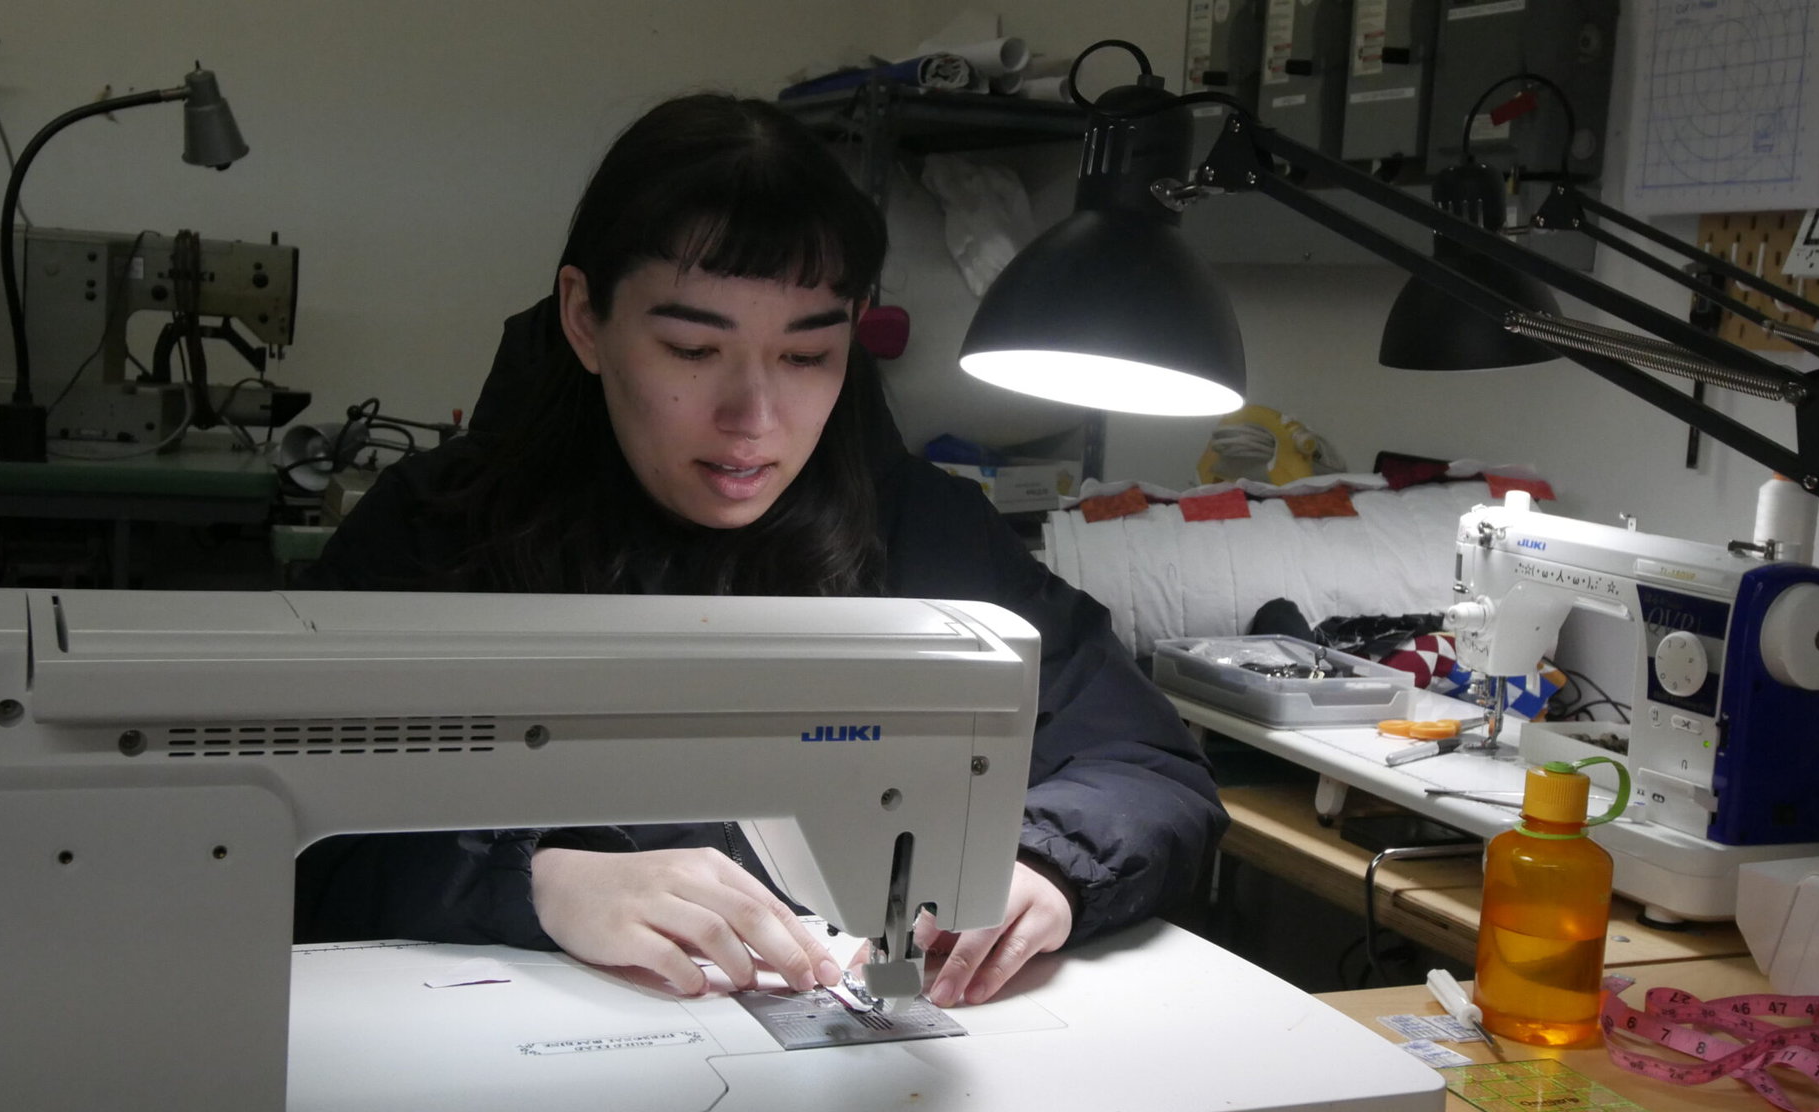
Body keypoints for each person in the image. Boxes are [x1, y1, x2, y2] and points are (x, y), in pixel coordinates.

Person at [297, 93, 1226, 1008]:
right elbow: (278, 837)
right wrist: (533, 878)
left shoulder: (915, 530)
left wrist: (1042, 867)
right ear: (585, 318)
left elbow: (1143, 767)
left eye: (806, 356)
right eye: (692, 352)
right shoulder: (437, 533)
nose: (754, 419)